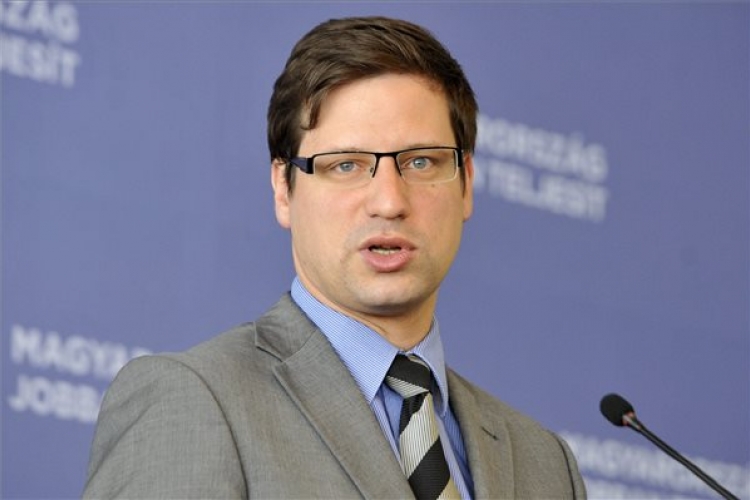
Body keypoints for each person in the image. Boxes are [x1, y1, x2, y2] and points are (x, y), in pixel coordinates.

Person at [84, 16, 586, 499]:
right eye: (346, 165)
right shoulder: (195, 401)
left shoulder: (544, 463)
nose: (389, 201)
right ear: (284, 189)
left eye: (421, 161)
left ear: (466, 184)